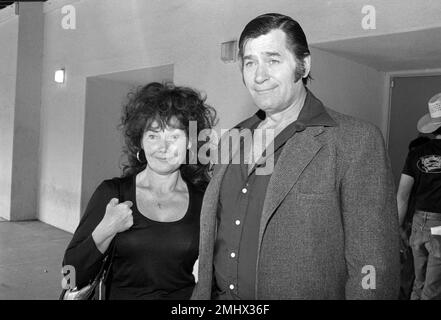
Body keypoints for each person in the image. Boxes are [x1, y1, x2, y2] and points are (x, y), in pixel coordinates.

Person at [192, 13, 400, 300]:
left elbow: (373, 263)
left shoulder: (355, 140)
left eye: (273, 60)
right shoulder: (231, 139)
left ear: (303, 65)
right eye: (250, 62)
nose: (259, 75)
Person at [62, 82, 217, 299]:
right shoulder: (113, 194)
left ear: (190, 142)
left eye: (173, 136)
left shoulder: (204, 200)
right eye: (153, 136)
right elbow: (69, 274)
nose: (163, 148)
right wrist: (105, 230)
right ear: (141, 142)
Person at [397, 92, 441, 300]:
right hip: (440, 224)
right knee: (433, 288)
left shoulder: (417, 153)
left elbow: (402, 195)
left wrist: (397, 228)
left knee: (418, 282)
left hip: (419, 221)